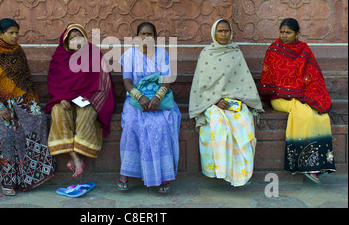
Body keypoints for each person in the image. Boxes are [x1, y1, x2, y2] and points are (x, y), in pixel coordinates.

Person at [0, 18, 56, 196]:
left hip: (21, 97)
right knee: (7, 135)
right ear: (0, 34)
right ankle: (8, 181)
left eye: (16, 33)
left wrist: (29, 101)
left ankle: (29, 177)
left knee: (37, 121)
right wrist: (0, 107)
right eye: (10, 33)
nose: (14, 36)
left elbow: (25, 78)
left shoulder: (18, 50)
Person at [259, 18, 335, 183]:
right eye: (282, 32)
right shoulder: (274, 50)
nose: (284, 35)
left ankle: (320, 163)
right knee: (303, 112)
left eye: (288, 32)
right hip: (279, 97)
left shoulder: (304, 50)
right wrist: (293, 93)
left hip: (302, 96)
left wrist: (307, 95)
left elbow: (313, 76)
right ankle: (306, 164)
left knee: (321, 116)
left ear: (296, 33)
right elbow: (270, 77)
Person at [189, 19, 264, 187]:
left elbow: (242, 81)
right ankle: (220, 171)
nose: (223, 34)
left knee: (245, 122)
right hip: (211, 103)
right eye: (220, 31)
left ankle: (240, 174)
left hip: (235, 101)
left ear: (231, 33)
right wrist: (215, 100)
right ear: (214, 33)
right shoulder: (206, 53)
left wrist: (235, 99)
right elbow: (201, 85)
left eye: (226, 31)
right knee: (218, 124)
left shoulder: (236, 53)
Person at [118, 22, 181, 193]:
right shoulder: (129, 55)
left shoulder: (162, 54)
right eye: (142, 34)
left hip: (159, 97)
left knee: (162, 124)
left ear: (155, 37)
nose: (146, 38)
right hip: (135, 98)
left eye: (149, 34)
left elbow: (167, 80)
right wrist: (139, 96)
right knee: (131, 123)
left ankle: (163, 175)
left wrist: (157, 97)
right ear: (136, 37)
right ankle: (126, 172)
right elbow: (127, 82)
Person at [46, 24, 115, 178]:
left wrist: (90, 98)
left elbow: (104, 83)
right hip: (64, 99)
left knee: (86, 113)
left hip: (88, 98)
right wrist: (61, 97)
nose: (76, 41)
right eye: (72, 38)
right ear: (66, 41)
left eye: (80, 37)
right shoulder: (59, 57)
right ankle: (76, 159)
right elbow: (54, 82)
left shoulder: (94, 53)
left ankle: (77, 156)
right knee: (58, 112)